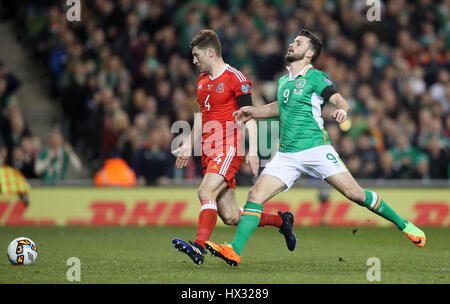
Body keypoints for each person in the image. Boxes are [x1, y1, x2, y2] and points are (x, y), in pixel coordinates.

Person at [205, 29, 426, 267]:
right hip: (287, 154)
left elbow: (337, 98)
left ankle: (403, 224)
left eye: (298, 43)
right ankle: (234, 251)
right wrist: (254, 112)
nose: (292, 44)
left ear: (309, 53)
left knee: (356, 194)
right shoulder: (283, 81)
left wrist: (343, 109)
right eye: (292, 41)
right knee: (255, 195)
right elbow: (281, 108)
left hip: (316, 149)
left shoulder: (315, 77)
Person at [171, 30, 296, 265]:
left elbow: (249, 116)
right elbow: (202, 116)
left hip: (229, 146)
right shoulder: (201, 81)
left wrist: (252, 149)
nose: (194, 61)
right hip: (209, 150)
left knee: (204, 192)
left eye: (197, 56)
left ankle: (198, 247)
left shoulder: (235, 78)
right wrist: (189, 143)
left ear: (211, 52)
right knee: (230, 216)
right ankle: (282, 221)